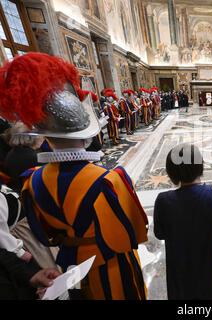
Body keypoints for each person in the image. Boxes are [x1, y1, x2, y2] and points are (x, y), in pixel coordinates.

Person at [0, 53, 149, 300]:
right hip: (109, 265)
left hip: (69, 265)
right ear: (85, 133)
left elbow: (43, 234)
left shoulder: (32, 180)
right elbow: (130, 235)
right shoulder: (108, 180)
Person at [154, 144, 212, 300]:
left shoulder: (164, 200)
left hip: (180, 271)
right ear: (200, 166)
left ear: (172, 171)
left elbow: (159, 233)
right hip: (210, 268)